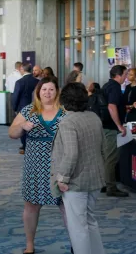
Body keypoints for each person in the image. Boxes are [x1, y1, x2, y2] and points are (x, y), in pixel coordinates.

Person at [8, 76, 66, 254]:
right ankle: (30, 245)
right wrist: (22, 127)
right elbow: (12, 132)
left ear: (57, 91)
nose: (47, 93)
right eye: (44, 89)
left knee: (66, 205)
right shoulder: (29, 110)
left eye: (51, 89)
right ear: (38, 92)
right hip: (35, 164)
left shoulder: (65, 111)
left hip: (60, 164)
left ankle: (77, 243)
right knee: (31, 205)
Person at [50, 82, 105, 254]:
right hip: (94, 178)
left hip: (75, 181)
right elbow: (103, 147)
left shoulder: (68, 122)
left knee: (78, 228)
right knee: (90, 221)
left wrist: (62, 178)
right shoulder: (94, 117)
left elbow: (71, 154)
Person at [99, 65, 130, 197]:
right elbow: (112, 106)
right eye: (125, 74)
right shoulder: (115, 87)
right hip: (111, 127)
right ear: (118, 75)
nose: (126, 77)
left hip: (104, 125)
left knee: (106, 157)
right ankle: (111, 187)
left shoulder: (107, 85)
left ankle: (106, 183)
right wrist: (119, 125)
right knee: (111, 158)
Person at [11, 63, 40, 155]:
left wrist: (14, 108)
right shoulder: (37, 81)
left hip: (22, 107)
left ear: (22, 69)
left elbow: (15, 96)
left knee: (22, 127)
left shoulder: (19, 82)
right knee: (34, 125)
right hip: (36, 107)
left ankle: (25, 146)